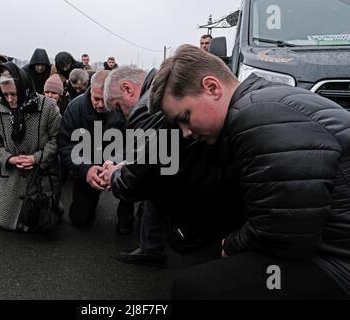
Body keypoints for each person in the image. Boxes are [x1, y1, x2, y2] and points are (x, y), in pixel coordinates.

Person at [148, 44, 350, 299]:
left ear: (212, 88)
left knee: (193, 288)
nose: (186, 132)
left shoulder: (256, 116)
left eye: (185, 117)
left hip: (338, 261)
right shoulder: (263, 101)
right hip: (334, 245)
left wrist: (233, 243)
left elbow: (287, 231)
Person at [0, 62, 62, 232]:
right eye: (6, 95)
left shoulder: (48, 107)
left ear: (24, 88)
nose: (10, 99)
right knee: (6, 222)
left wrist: (37, 158)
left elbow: (57, 139)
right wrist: (9, 158)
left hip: (41, 173)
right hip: (12, 174)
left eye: (14, 94)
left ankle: (53, 205)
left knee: (43, 225)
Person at [58, 70, 135, 234]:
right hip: (86, 164)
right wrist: (86, 169)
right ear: (90, 90)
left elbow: (131, 144)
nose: (100, 104)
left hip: (116, 164)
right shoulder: (75, 108)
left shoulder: (124, 108)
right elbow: (65, 145)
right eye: (96, 98)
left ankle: (126, 215)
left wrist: (115, 163)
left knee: (127, 224)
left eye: (104, 100)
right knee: (79, 218)